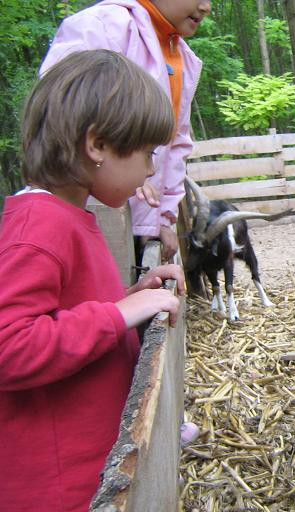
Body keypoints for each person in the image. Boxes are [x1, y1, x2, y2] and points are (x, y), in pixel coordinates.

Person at [0, 50, 186, 512]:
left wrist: (131, 298)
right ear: (98, 145)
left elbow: (67, 312)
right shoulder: (37, 230)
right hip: (57, 487)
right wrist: (119, 314)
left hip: (91, 467)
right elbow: (9, 345)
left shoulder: (66, 215)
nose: (149, 169)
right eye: (147, 153)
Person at [40, 0, 211, 263]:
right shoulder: (103, 27)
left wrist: (162, 218)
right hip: (89, 213)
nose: (206, 7)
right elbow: (60, 112)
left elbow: (175, 145)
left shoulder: (180, 57)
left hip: (131, 214)